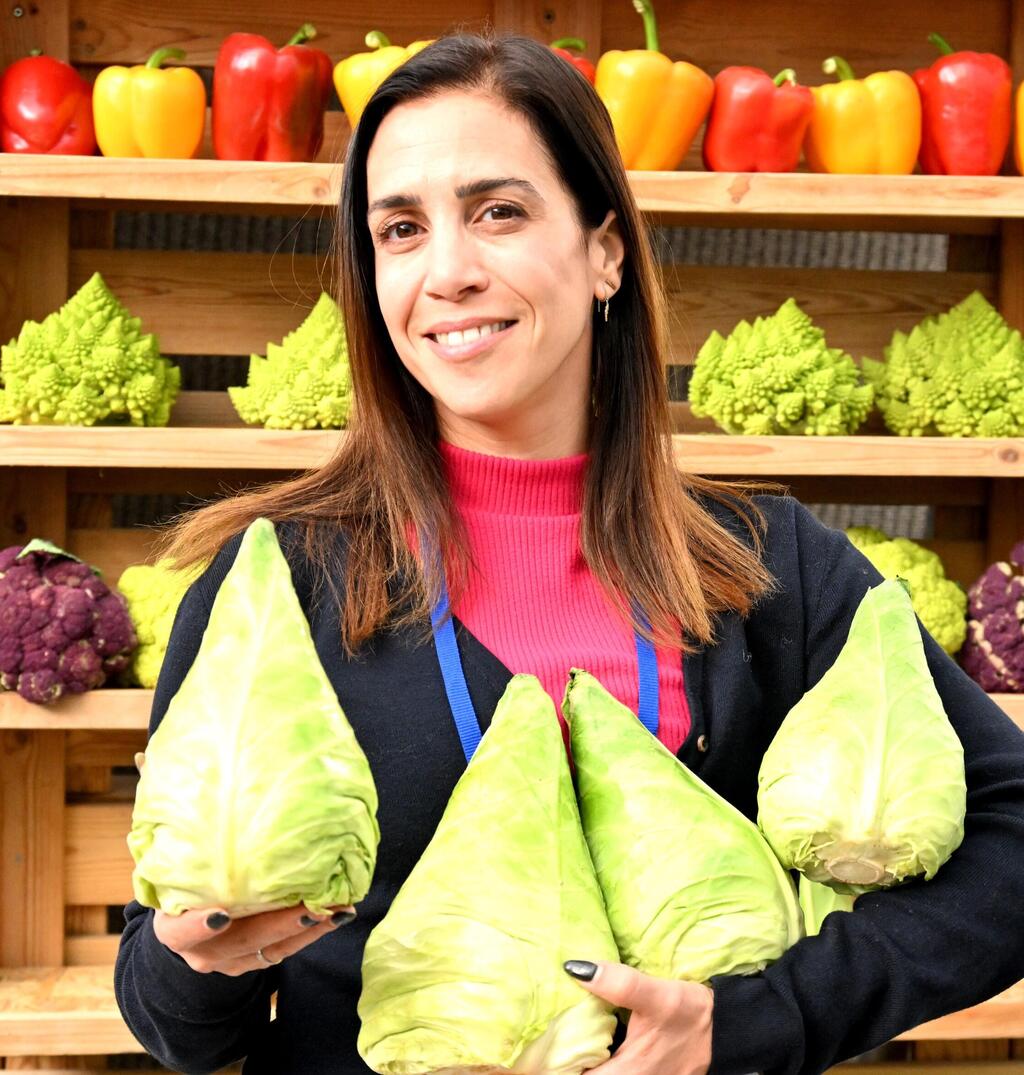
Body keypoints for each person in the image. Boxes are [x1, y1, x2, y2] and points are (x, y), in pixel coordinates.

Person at [114, 29, 1024, 1075]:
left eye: (497, 212)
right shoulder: (280, 578)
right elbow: (176, 1021)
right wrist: (194, 961)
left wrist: (765, 1019)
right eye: (400, 229)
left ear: (604, 249)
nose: (447, 270)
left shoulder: (772, 564)